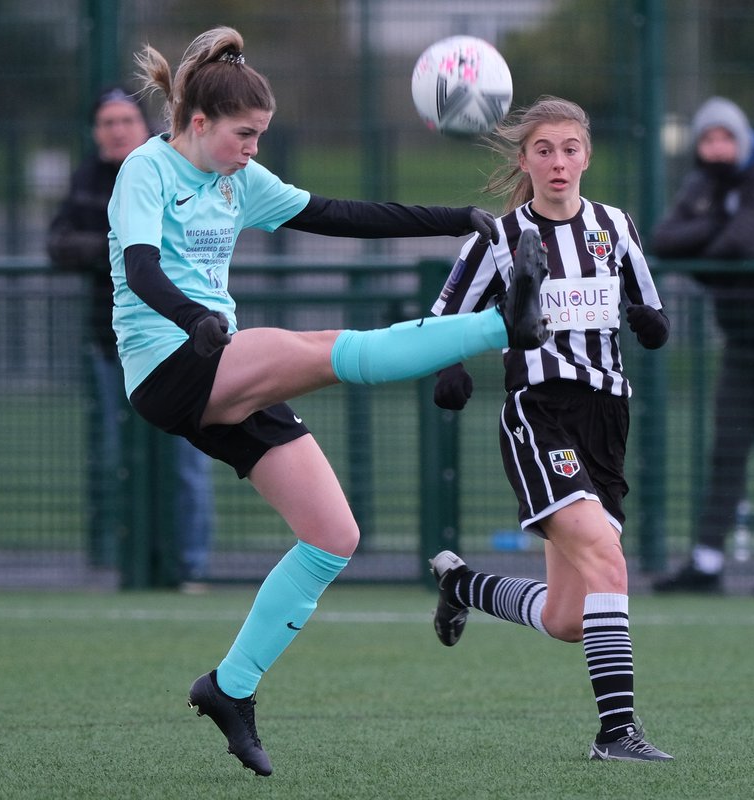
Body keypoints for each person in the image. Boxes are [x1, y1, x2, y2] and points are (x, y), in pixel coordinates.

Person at [109, 27, 549, 777]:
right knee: (326, 350)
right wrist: (193, 318)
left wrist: (456, 219)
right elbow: (142, 269)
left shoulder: (239, 179)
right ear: (200, 122)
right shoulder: (146, 169)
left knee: (332, 536)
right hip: (168, 363)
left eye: (261, 135)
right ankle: (504, 323)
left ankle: (229, 687)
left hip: (218, 358)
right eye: (245, 135)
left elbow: (342, 214)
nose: (253, 149)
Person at [428, 96, 673, 762]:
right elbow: (444, 315)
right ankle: (616, 734)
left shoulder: (614, 225)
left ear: (586, 156)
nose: (558, 161)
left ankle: (461, 586)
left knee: (568, 618)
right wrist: (449, 365)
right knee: (607, 559)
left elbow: (649, 306)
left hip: (607, 417)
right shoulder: (500, 238)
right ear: (524, 160)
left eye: (570, 148)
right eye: (544, 150)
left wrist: (653, 324)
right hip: (539, 413)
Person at [648, 96, 754, 596]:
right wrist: (717, 228)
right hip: (740, 345)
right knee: (727, 453)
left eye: (726, 137)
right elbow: (664, 238)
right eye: (708, 138)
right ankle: (706, 563)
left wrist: (703, 247)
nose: (717, 147)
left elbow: (742, 246)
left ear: (741, 140)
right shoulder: (701, 184)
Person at [47, 86, 216, 584]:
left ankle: (187, 565)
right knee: (117, 457)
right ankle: (121, 560)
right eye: (107, 122)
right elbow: (59, 243)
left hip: (180, 342)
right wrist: (122, 248)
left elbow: (170, 247)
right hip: (112, 345)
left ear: (145, 127)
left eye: (126, 120)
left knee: (187, 460)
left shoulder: (170, 169)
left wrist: (126, 252)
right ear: (95, 132)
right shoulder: (87, 179)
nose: (117, 130)